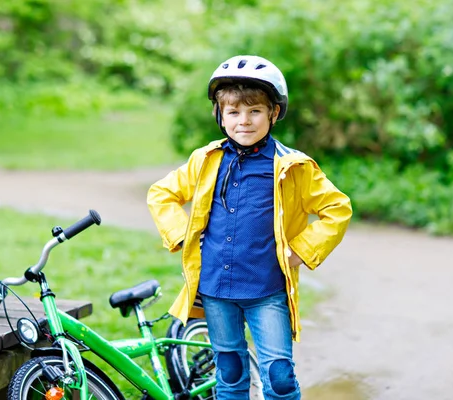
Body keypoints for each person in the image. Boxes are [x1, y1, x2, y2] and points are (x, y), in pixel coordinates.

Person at [147, 55, 352, 400]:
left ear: (273, 114)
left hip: (267, 290)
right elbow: (162, 193)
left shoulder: (293, 167)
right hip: (215, 289)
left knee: (280, 377)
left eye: (255, 111)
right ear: (220, 116)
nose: (244, 121)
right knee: (230, 374)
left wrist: (301, 251)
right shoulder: (205, 160)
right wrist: (182, 235)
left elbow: (337, 208)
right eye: (234, 112)